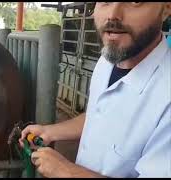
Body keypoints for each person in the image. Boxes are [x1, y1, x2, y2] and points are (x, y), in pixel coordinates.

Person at [19, 2, 171, 178]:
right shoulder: (107, 60)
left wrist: (67, 172)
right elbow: (98, 115)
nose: (113, 14)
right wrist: (50, 132)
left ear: (166, 8)